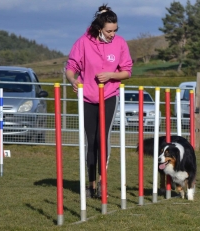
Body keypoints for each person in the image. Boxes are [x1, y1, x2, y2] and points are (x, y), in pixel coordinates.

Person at [65, 4, 133, 198]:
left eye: (115, 30)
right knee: (91, 141)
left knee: (102, 139)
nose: (112, 34)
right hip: (87, 97)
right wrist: (72, 80)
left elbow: (127, 71)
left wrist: (111, 74)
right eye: (109, 31)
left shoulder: (120, 43)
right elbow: (71, 67)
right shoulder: (83, 43)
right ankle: (91, 184)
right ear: (99, 29)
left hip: (109, 96)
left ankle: (103, 181)